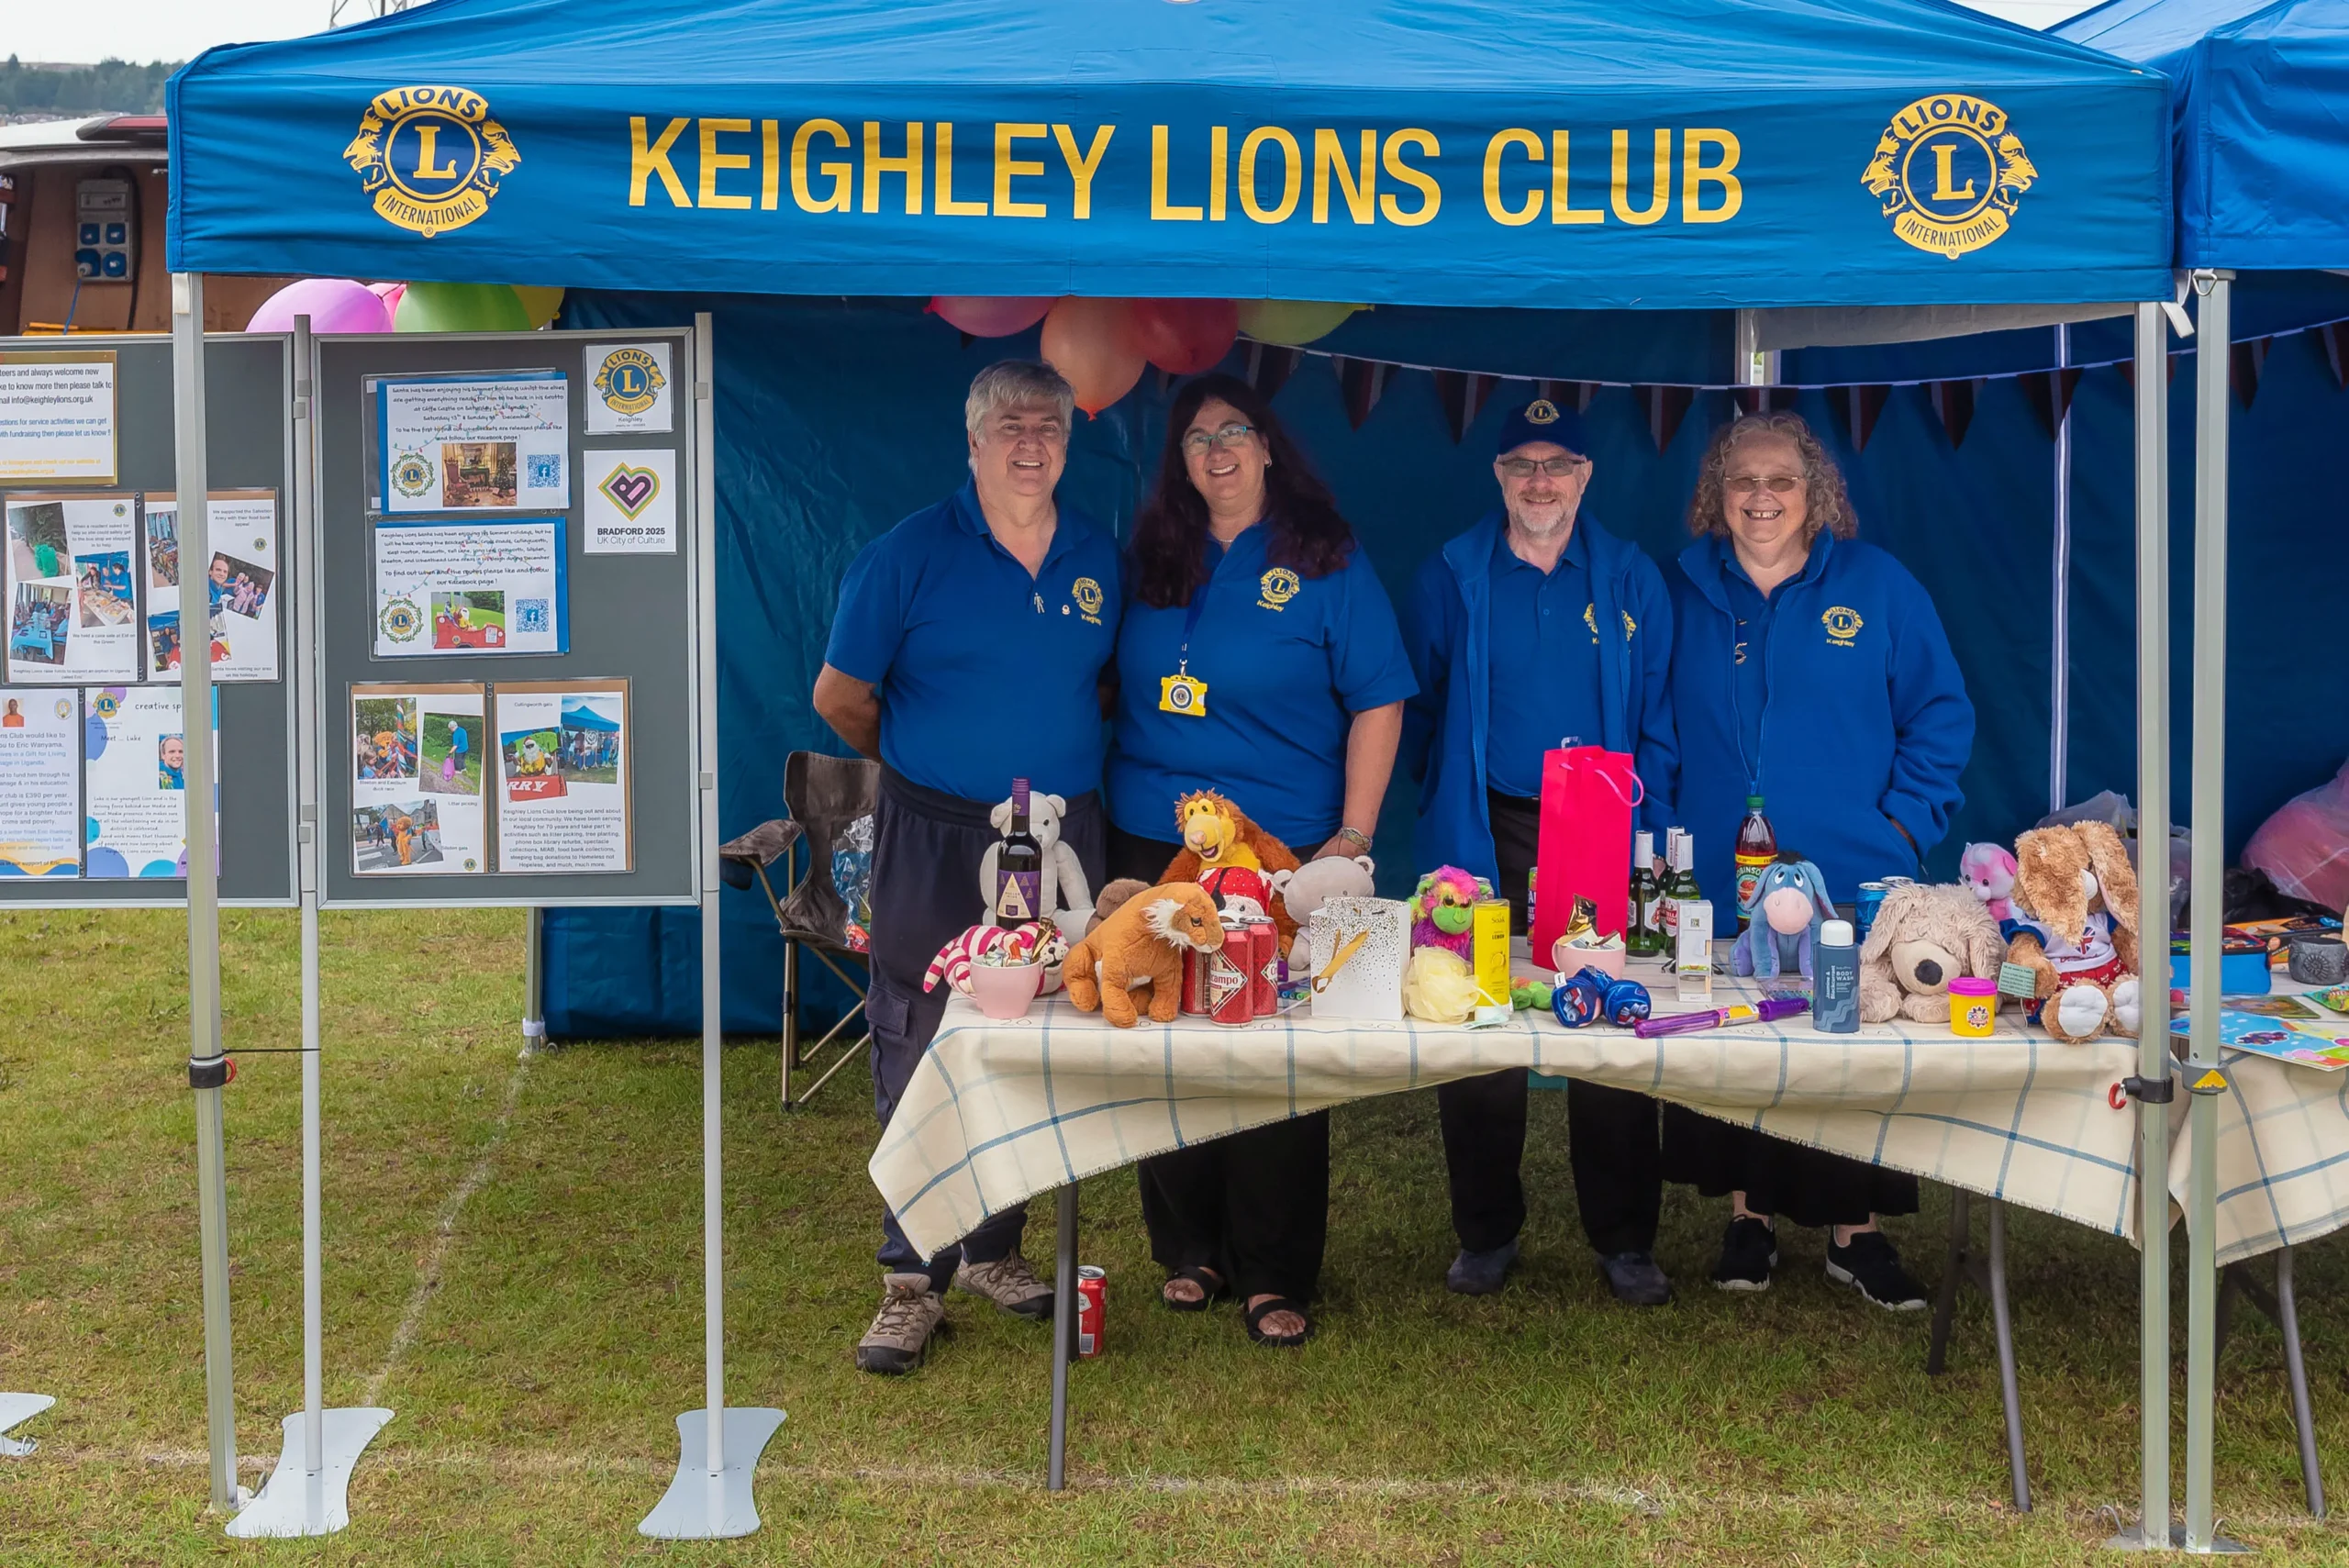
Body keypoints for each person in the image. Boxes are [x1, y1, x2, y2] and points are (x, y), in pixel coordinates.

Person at [814, 360, 1122, 1374]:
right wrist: (929, 765)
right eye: (1010, 426)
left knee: (1032, 1034)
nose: (1031, 444)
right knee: (917, 1030)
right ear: (974, 440)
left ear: (1068, 444)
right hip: (936, 833)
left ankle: (996, 1247)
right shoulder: (905, 556)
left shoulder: (1097, 554)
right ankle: (911, 1278)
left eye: (1049, 427)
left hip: (1059, 837)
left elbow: (1101, 688)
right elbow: (840, 698)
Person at [1107, 373, 1415, 1349]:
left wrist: (1351, 839)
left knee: (1274, 1047)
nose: (1219, 451)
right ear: (1179, 461)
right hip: (1155, 843)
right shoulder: (1150, 555)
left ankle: (1274, 1265)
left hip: (1279, 850)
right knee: (1170, 1039)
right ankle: (1188, 1245)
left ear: (1270, 445)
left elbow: (1379, 697)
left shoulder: (1325, 554)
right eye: (1198, 438)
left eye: (1235, 431)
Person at [1662, 412, 1974, 1310]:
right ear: (1717, 493)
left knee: (1846, 1043)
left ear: (1815, 492)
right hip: (1721, 874)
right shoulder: (1680, 586)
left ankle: (1854, 1232)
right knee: (1738, 1039)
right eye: (1742, 480)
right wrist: (1666, 836)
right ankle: (1748, 1218)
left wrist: (1901, 826)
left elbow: (1940, 714)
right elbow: (1649, 719)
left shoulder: (1877, 585)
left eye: (1781, 481)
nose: (1761, 497)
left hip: (1848, 872)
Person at [1401, 397, 1679, 1306]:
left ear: (1586, 476)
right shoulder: (1451, 572)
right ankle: (1484, 1231)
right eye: (1521, 463)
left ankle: (1625, 1238)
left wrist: (1645, 835)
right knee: (1478, 1019)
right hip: (1486, 823)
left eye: (1558, 463)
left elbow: (1658, 715)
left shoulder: (1630, 576)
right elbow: (1422, 706)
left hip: (1595, 825)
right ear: (1497, 474)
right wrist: (1450, 794)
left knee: (1609, 1023)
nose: (1540, 480)